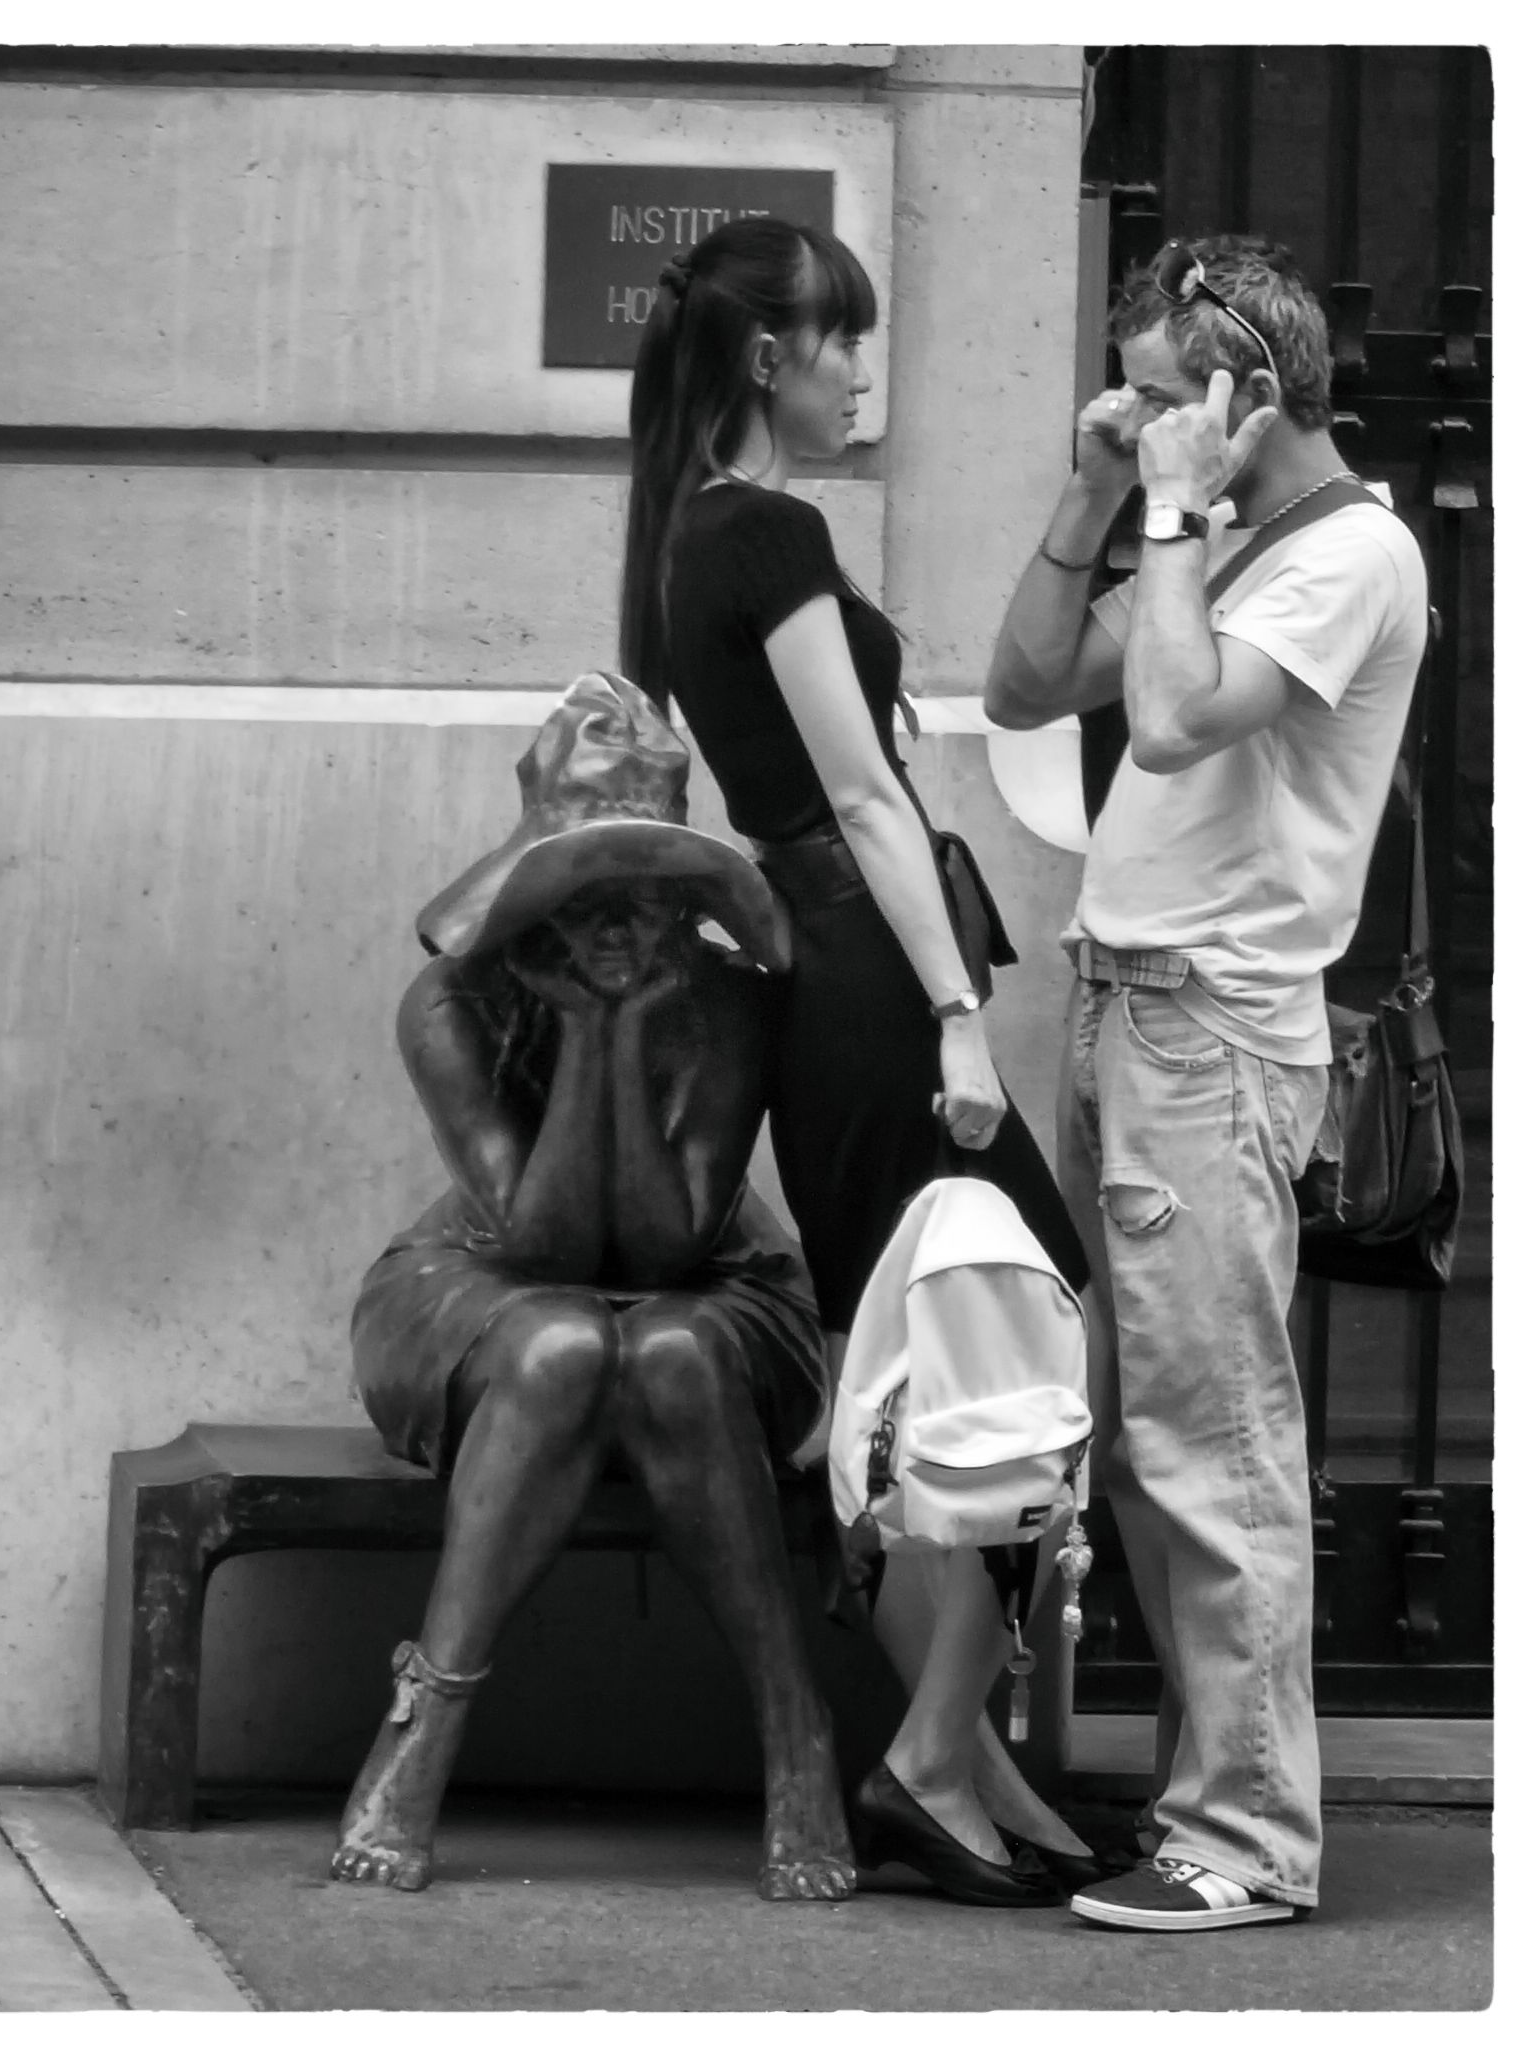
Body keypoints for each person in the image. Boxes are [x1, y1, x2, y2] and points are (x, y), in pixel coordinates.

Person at [618, 215, 1099, 1906]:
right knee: (1039, 1326)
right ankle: (926, 1762)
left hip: (819, 985)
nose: (862, 376)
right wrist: (959, 1012)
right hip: (871, 987)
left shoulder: (682, 535)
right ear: (772, 355)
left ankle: (965, 1774)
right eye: (846, 343)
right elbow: (862, 797)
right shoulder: (766, 530)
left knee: (912, 1371)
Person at [985, 234, 1429, 1930]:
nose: (1139, 415)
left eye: (1164, 393)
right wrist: (1101, 489)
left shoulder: (1350, 552)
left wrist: (1170, 511)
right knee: (1137, 1440)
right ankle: (1201, 1808)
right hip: (1121, 1014)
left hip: (1211, 1034)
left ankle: (1243, 1842)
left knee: (1211, 1439)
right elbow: (1028, 684)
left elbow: (1170, 721)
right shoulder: (1218, 532)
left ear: (1249, 394)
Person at [330, 671, 855, 1902]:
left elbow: (667, 1249)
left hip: (716, 1285)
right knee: (562, 1341)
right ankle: (426, 1720)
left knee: (672, 1348)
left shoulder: (732, 1003)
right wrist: (587, 1035)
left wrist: (627, 1034)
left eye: (644, 888)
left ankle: (796, 1727)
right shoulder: (448, 1002)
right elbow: (541, 1245)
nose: (617, 919)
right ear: (533, 895)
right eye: (583, 888)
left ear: (682, 898)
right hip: (480, 1280)